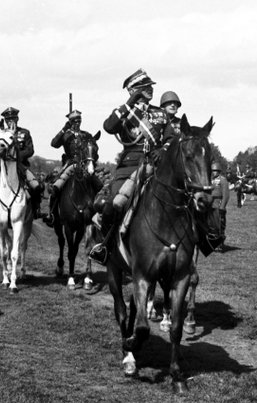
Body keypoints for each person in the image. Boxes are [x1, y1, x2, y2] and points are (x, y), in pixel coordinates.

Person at [88, 69, 168, 265]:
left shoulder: (159, 113)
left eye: (150, 87)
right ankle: (106, 247)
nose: (151, 90)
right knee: (113, 205)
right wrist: (130, 103)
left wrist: (164, 149)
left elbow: (171, 138)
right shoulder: (124, 112)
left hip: (155, 165)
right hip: (129, 166)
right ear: (135, 91)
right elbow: (108, 127)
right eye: (146, 87)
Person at [0, 107, 42, 218]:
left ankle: (35, 210)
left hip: (21, 166)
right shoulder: (2, 133)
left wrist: (17, 156)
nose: (11, 121)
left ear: (17, 119)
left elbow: (30, 150)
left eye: (13, 118)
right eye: (8, 119)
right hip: (3, 167)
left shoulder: (24, 132)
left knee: (36, 186)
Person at [43, 109, 102, 227]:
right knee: (56, 186)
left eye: (79, 120)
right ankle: (52, 214)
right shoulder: (66, 135)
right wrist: (64, 128)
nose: (77, 122)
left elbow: (94, 149)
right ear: (70, 121)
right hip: (69, 164)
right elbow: (54, 144)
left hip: (84, 166)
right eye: (74, 120)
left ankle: (99, 214)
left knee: (99, 186)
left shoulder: (86, 135)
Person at [210, 162, 230, 244]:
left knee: (220, 224)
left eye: (215, 171)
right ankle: (212, 240)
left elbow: (226, 195)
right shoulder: (210, 180)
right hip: (211, 205)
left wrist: (222, 206)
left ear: (218, 171)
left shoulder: (222, 180)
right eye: (212, 171)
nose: (213, 172)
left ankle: (220, 240)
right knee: (211, 225)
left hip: (218, 204)